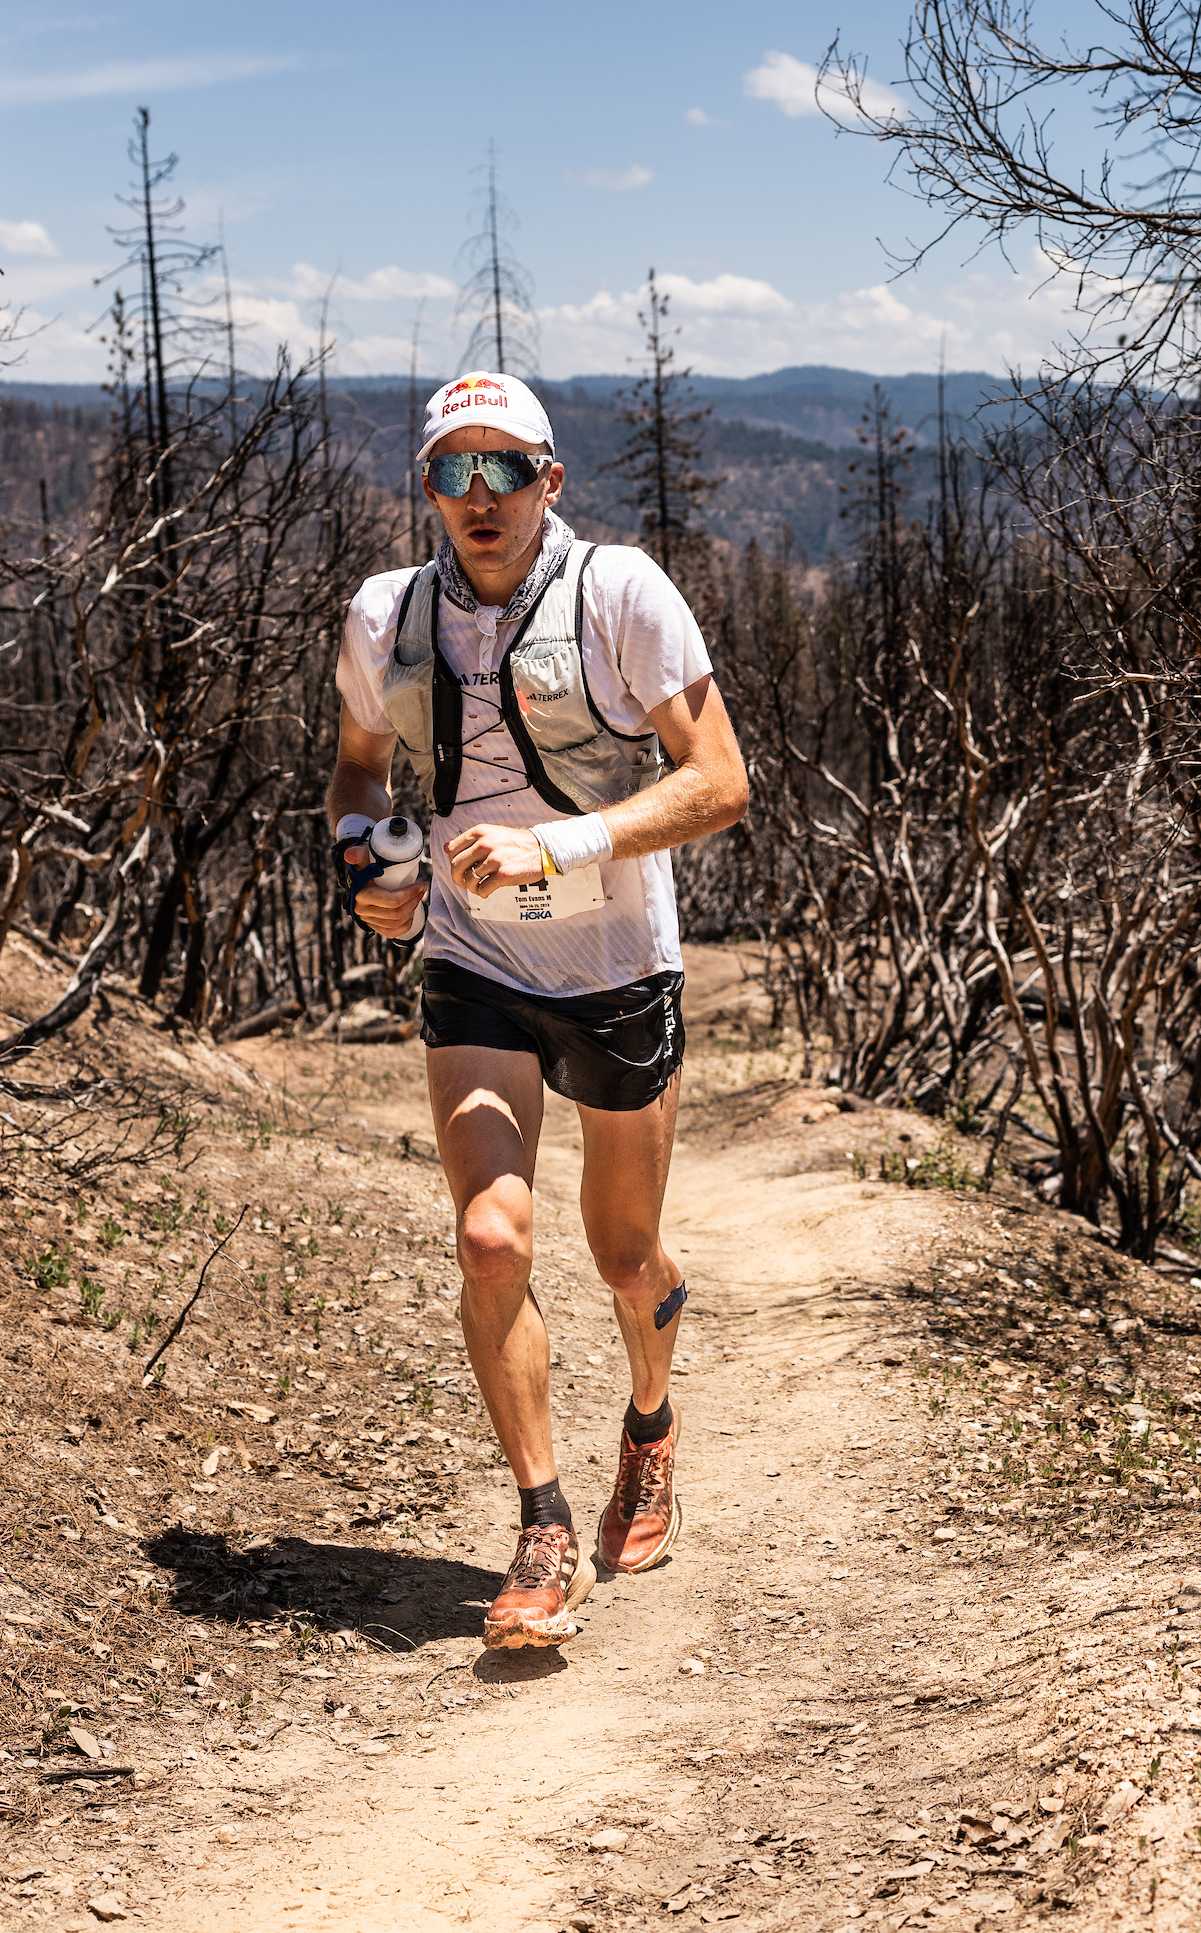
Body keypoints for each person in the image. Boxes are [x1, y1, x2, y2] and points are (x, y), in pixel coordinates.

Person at [326, 372, 748, 1649]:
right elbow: (358, 770)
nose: (481, 495)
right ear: (429, 490)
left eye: (508, 468)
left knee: (625, 1255)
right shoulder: (383, 618)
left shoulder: (621, 596)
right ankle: (543, 1525)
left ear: (550, 481)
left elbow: (720, 783)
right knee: (492, 1238)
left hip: (620, 968)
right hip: (474, 967)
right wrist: (371, 877)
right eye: (456, 471)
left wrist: (561, 847)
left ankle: (653, 1423)